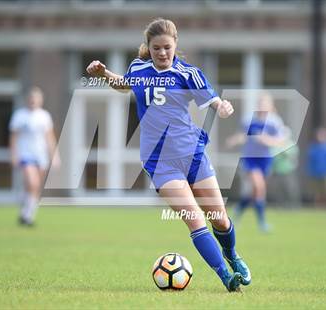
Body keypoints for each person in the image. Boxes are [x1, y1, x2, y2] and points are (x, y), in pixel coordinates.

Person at [86, 18, 250, 292]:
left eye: (166, 47)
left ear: (175, 45)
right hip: (160, 161)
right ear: (148, 48)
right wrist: (104, 74)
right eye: (156, 48)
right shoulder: (139, 68)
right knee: (194, 218)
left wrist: (223, 107)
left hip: (192, 155)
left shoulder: (188, 73)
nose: (162, 53)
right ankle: (225, 276)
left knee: (219, 218)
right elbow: (124, 85)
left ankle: (232, 255)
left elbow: (213, 101)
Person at [226, 93, 286, 232]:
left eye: (266, 104)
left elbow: (281, 141)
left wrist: (267, 140)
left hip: (265, 159)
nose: (263, 106)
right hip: (250, 158)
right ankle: (262, 223)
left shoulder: (275, 121)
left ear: (271, 106)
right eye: (261, 103)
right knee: (259, 187)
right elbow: (242, 136)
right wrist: (233, 140)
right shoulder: (249, 120)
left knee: (255, 193)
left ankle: (238, 210)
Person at [9, 87, 59, 226]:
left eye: (36, 98)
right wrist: (14, 154)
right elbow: (13, 137)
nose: (33, 100)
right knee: (33, 183)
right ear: (27, 99)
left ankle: (27, 214)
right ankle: (26, 214)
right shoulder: (20, 115)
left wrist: (54, 155)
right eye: (31, 98)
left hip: (40, 155)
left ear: (40, 100)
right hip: (25, 154)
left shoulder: (44, 116)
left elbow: (50, 137)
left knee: (35, 187)